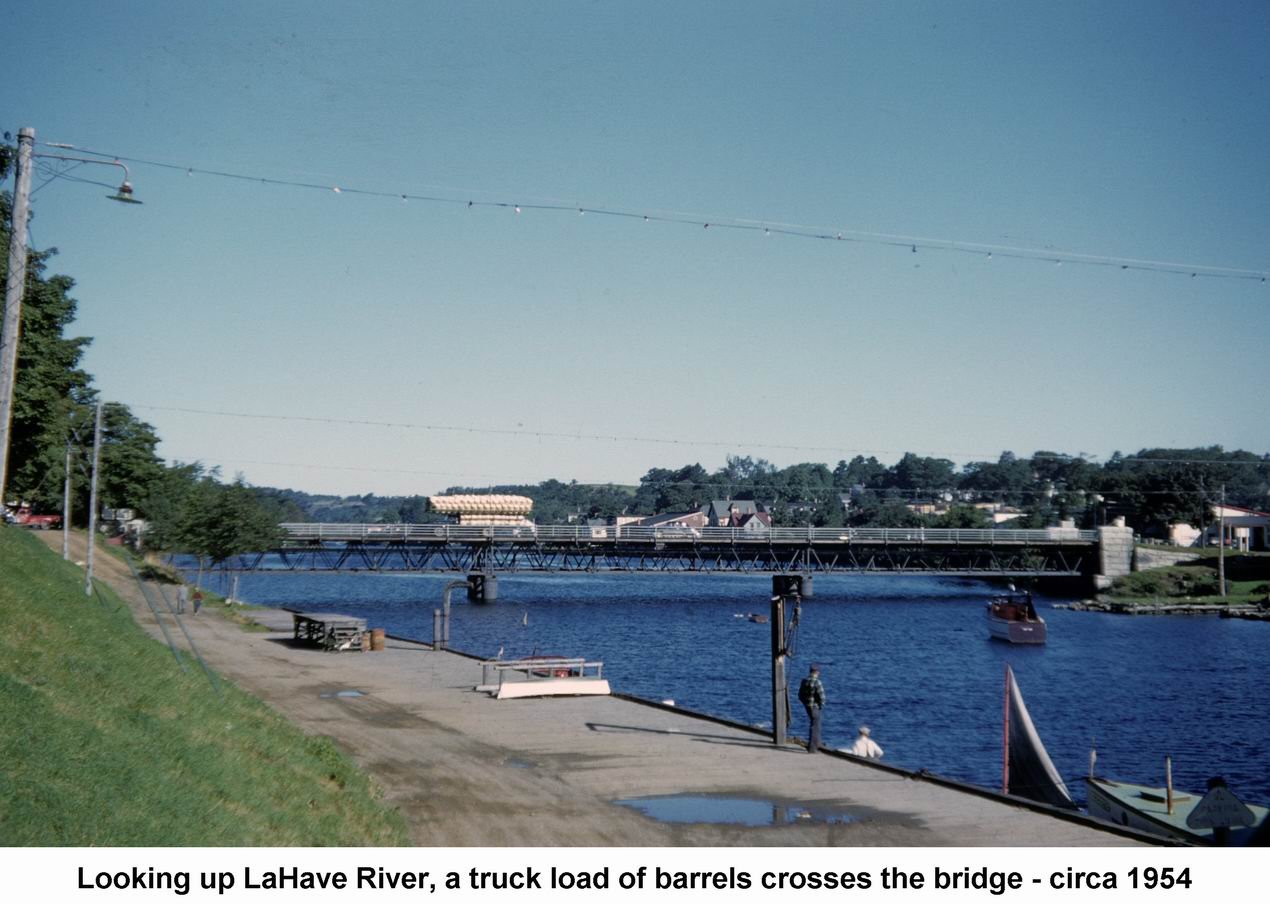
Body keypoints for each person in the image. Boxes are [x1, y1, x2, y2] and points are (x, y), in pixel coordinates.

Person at [797, 664, 826, 753]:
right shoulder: (817, 682)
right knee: (816, 726)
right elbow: (822, 697)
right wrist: (821, 705)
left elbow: (800, 695)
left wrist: (805, 703)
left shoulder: (804, 681)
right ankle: (813, 748)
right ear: (817, 672)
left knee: (814, 724)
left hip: (807, 706)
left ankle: (817, 743)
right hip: (815, 707)